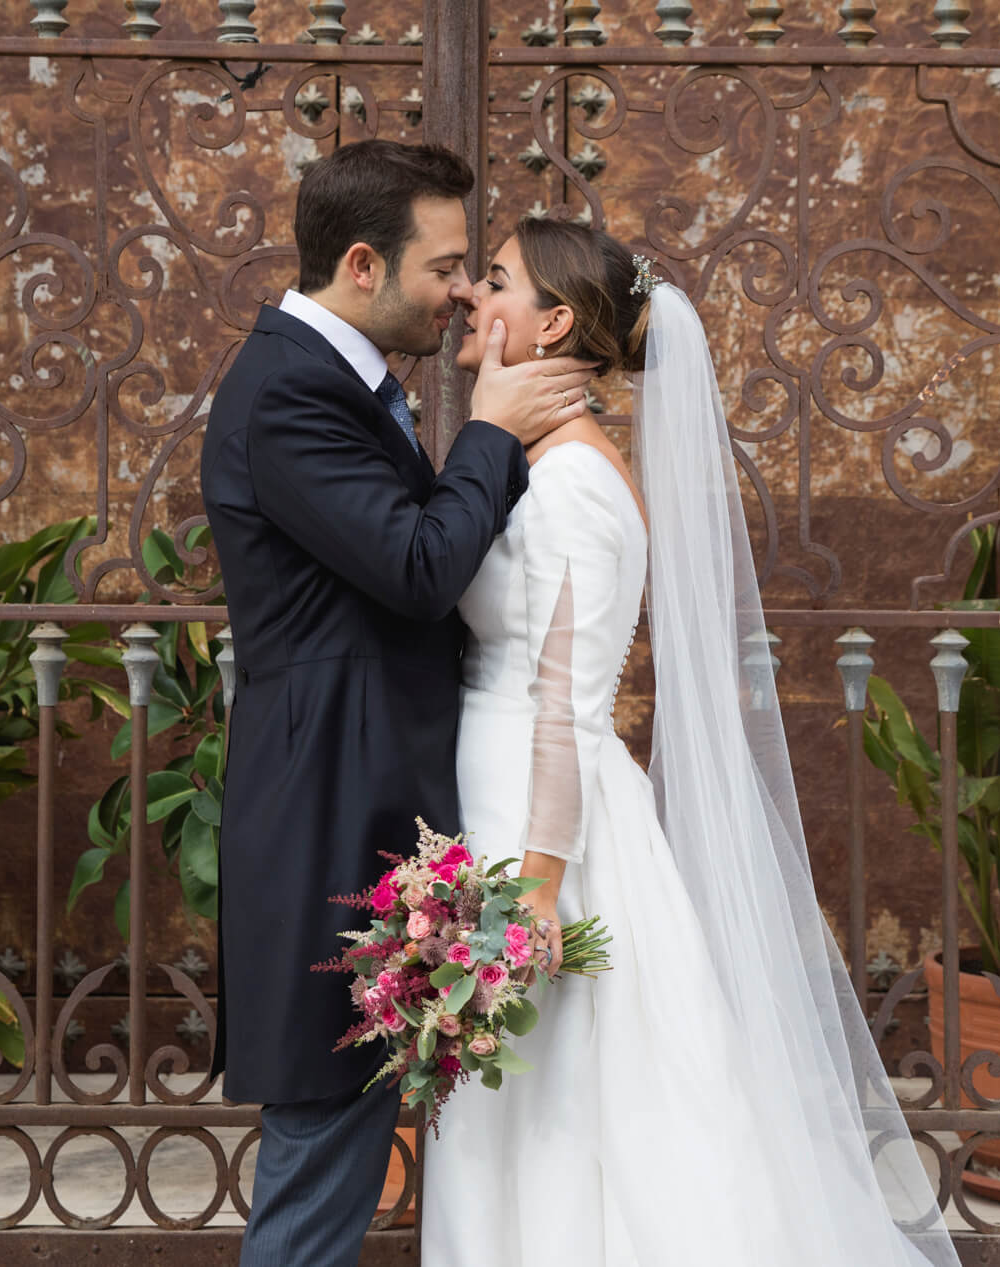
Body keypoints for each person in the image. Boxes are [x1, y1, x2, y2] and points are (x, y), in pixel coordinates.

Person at [422, 218, 962, 1267]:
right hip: (502, 806)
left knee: (561, 1124)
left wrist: (534, 891)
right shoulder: (534, 464)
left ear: (556, 322)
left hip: (544, 837)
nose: (468, 300)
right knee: (526, 1121)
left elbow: (565, 707)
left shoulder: (574, 481)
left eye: (493, 282)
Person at [199, 140, 599, 1267]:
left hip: (371, 799)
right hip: (326, 807)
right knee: (323, 1154)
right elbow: (418, 566)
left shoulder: (338, 380)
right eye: (449, 265)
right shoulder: (285, 391)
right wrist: (493, 427)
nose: (466, 291)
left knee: (345, 1134)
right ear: (364, 263)